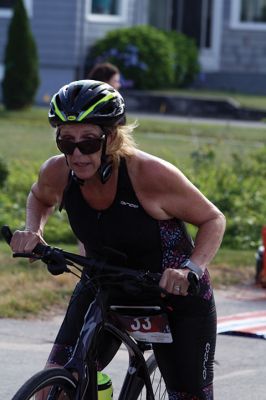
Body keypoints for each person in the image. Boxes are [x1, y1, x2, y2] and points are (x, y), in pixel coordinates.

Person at [10, 80, 226, 400]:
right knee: (55, 388)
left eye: (89, 142)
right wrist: (33, 231)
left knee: (188, 396)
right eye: (66, 143)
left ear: (111, 138)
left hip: (172, 292)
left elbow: (213, 219)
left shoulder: (150, 175)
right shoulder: (57, 172)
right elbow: (39, 197)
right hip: (104, 282)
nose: (77, 154)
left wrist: (191, 269)